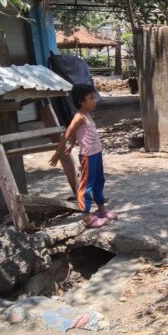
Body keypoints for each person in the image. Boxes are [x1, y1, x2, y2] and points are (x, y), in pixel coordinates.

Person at [49, 84, 118, 228]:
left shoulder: (87, 114)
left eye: (95, 98)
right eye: (91, 98)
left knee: (99, 180)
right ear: (81, 101)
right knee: (86, 186)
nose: (95, 101)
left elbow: (76, 133)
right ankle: (87, 217)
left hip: (97, 153)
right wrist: (57, 155)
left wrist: (73, 143)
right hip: (88, 156)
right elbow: (67, 133)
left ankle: (101, 210)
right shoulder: (79, 116)